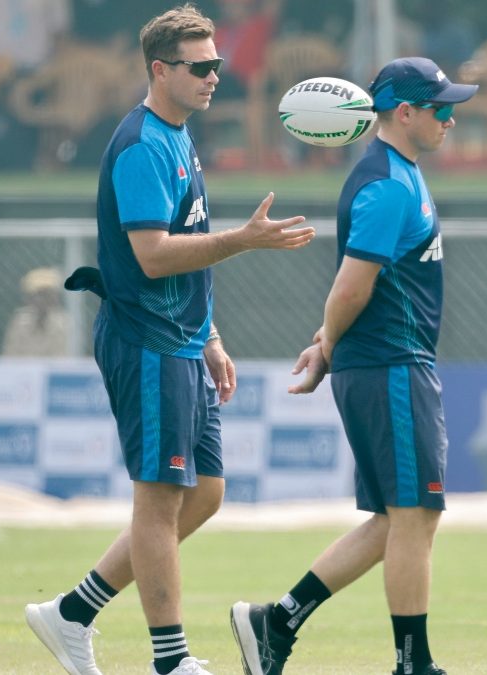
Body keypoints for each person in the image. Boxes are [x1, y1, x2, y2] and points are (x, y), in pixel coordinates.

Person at [22, 5, 314, 675]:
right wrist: (242, 241)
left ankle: (72, 612)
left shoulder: (179, 134)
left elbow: (184, 246)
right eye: (202, 66)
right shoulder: (143, 143)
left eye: (218, 64)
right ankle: (170, 658)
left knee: (204, 493)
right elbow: (153, 255)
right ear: (161, 69)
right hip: (146, 340)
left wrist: (210, 336)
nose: (217, 76)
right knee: (158, 500)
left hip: (181, 340)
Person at [230, 57, 477, 675]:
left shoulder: (397, 173)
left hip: (387, 362)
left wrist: (327, 345)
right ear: (405, 113)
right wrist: (329, 345)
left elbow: (354, 290)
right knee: (417, 515)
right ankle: (412, 664)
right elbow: (350, 287)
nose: (451, 117)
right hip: (392, 364)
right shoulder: (390, 184)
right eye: (441, 107)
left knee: (394, 519)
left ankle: (274, 622)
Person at [2, 267, 69, 357]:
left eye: (47, 295)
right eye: (38, 295)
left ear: (54, 299)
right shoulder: (19, 323)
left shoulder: (64, 324)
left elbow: (63, 361)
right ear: (28, 299)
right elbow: (10, 357)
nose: (41, 300)